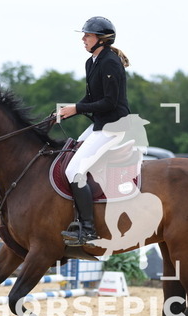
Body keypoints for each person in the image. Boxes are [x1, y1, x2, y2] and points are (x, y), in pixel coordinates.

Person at [58, 16, 131, 247]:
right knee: (70, 155)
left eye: (87, 35)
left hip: (114, 126)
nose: (83, 39)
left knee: (74, 171)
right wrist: (68, 111)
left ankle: (88, 229)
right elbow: (90, 98)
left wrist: (77, 108)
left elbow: (109, 102)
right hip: (100, 124)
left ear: (102, 39)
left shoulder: (110, 63)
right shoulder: (92, 62)